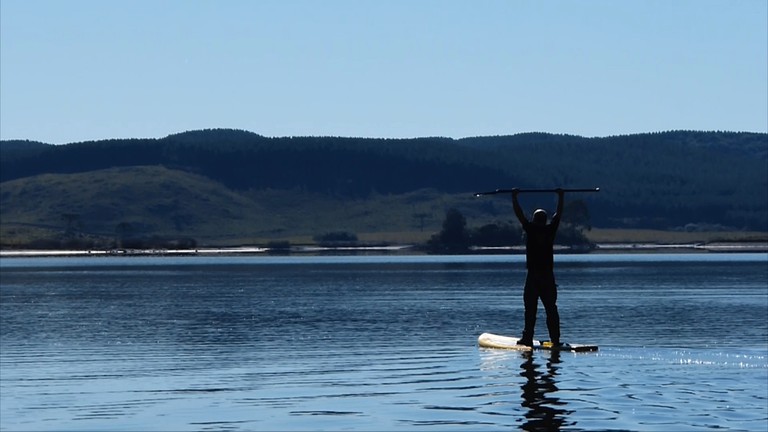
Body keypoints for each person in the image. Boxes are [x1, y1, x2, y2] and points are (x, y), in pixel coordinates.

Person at [512, 188, 565, 347]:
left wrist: (514, 197)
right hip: (548, 276)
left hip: (534, 276)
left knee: (530, 309)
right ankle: (555, 340)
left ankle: (527, 338)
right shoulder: (550, 230)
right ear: (545, 220)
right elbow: (559, 214)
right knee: (551, 308)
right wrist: (561, 196)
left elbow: (519, 214)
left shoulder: (531, 229)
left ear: (535, 220)